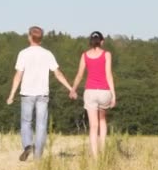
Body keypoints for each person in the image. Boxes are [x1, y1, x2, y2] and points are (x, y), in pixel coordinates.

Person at [7, 26, 73, 161]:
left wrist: (12, 94)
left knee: (26, 122)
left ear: (30, 37)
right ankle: (38, 156)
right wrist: (70, 88)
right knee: (41, 124)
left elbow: (18, 75)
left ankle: (27, 146)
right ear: (41, 39)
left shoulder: (23, 53)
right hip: (43, 94)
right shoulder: (47, 54)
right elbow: (58, 73)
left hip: (27, 93)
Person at [69, 31, 117, 159]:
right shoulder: (107, 54)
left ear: (90, 42)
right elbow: (109, 75)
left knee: (93, 125)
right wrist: (113, 94)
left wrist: (73, 89)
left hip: (90, 92)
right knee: (102, 120)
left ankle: (95, 157)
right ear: (102, 41)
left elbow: (79, 75)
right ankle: (103, 151)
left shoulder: (85, 55)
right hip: (104, 92)